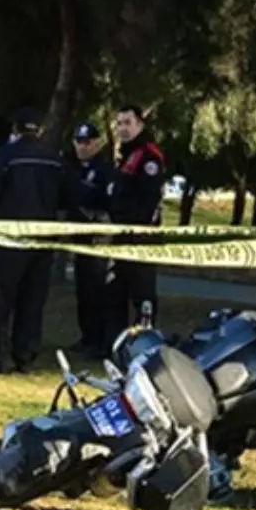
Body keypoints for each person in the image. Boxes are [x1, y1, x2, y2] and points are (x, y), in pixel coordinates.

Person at [0, 107, 65, 374]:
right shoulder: (54, 159)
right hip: (42, 242)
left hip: (5, 240)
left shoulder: (2, 157)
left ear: (15, 129)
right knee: (32, 301)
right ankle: (25, 356)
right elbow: (70, 194)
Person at [104, 104, 165, 346]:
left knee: (142, 295)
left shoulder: (149, 155)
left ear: (140, 125)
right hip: (120, 236)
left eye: (128, 123)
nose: (122, 129)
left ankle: (144, 345)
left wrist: (137, 231)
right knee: (115, 293)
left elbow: (149, 200)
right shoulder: (126, 155)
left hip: (140, 239)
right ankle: (114, 344)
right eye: (119, 123)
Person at [67, 120, 113, 358]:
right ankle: (87, 337)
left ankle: (98, 340)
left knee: (97, 291)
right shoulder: (75, 169)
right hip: (81, 237)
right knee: (83, 290)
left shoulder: (104, 170)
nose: (82, 147)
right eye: (79, 142)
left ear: (97, 143)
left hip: (98, 236)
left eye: (87, 142)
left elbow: (107, 203)